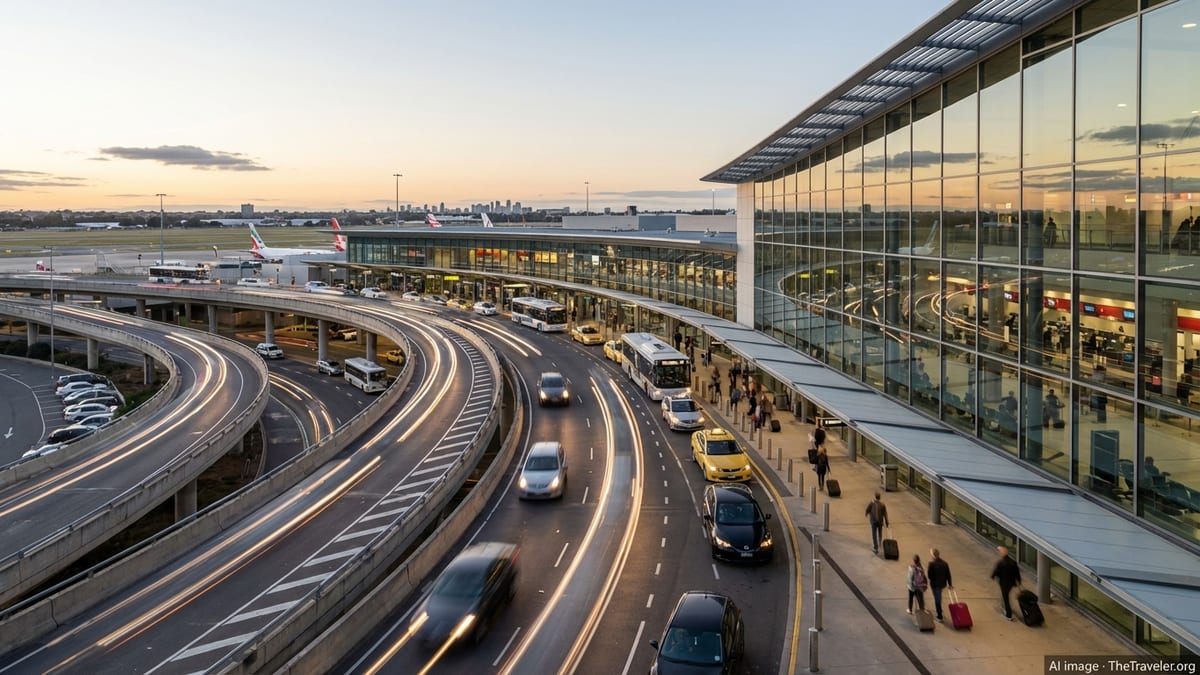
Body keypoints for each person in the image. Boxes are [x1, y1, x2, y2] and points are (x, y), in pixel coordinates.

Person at [990, 545, 1021, 620]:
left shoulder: (1000, 563)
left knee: (1005, 597)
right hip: (1011, 582)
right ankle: (1005, 608)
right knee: (1006, 595)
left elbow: (995, 572)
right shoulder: (1013, 562)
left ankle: (1008, 614)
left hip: (1003, 583)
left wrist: (993, 576)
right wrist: (1018, 581)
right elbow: (1017, 573)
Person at [927, 548, 953, 622]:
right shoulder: (945, 563)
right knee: (938, 597)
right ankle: (939, 611)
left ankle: (939, 616)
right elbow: (948, 574)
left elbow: (929, 576)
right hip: (942, 584)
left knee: (937, 599)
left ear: (932, 555)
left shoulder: (931, 564)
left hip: (935, 584)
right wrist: (950, 584)